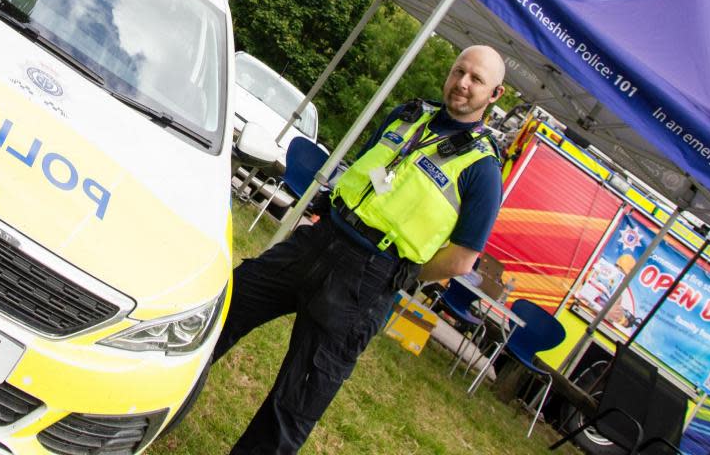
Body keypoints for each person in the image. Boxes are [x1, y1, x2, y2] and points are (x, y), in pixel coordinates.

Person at [211, 45, 507, 454]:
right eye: (460, 71)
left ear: (495, 95)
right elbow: (364, 170)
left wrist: (397, 273)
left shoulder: (484, 169)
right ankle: (151, 401)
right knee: (222, 310)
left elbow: (461, 260)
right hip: (319, 239)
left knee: (294, 403)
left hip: (366, 281)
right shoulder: (408, 115)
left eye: (477, 80)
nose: (463, 83)